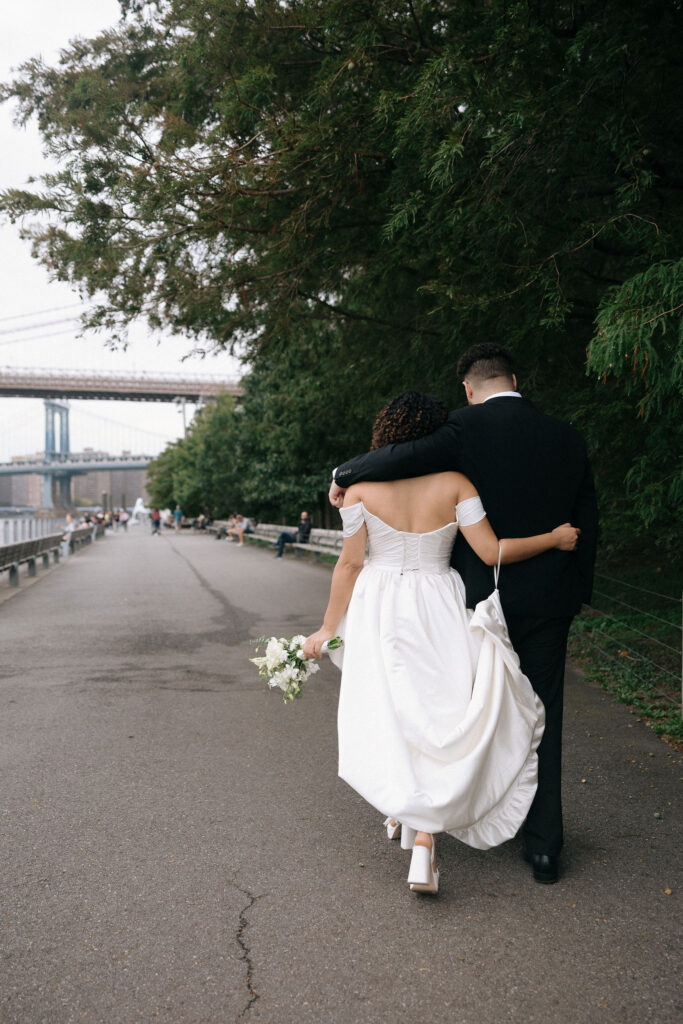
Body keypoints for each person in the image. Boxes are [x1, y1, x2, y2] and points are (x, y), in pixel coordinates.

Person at [329, 345, 599, 884]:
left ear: (469, 389)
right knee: (542, 711)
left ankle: (451, 809)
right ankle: (544, 847)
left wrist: (344, 472)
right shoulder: (568, 437)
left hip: (473, 601)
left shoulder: (459, 429)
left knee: (467, 710)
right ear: (515, 378)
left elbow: (396, 459)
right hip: (548, 599)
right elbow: (587, 516)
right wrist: (576, 591)